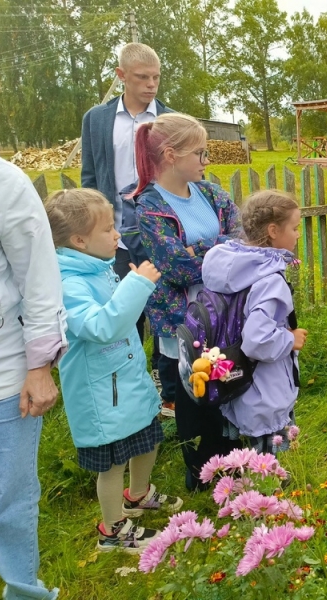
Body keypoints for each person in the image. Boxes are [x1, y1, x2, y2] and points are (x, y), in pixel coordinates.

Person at [45, 188, 182, 553]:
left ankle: (137, 495)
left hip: (125, 380)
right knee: (113, 463)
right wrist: (136, 285)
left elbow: (119, 316)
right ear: (79, 240)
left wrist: (132, 286)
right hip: (102, 392)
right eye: (108, 229)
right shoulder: (68, 283)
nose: (117, 234)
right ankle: (113, 529)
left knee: (147, 438)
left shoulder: (98, 267)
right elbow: (100, 327)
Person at [133, 112, 242, 491]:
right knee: (195, 396)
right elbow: (176, 267)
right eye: (200, 152)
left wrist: (201, 249)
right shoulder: (149, 207)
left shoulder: (211, 193)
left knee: (228, 386)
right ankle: (201, 475)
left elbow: (240, 241)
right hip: (183, 320)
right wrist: (219, 248)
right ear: (170, 155)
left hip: (225, 314)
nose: (206, 160)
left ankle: (235, 465)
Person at [0, 67, 63, 600]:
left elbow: (39, 281)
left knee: (7, 497)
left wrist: (39, 366)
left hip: (1, 374)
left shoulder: (5, 185)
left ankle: (22, 590)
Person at [80, 42, 172, 413]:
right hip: (115, 237)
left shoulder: (168, 120)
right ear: (121, 76)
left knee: (164, 309)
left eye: (156, 77)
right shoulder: (97, 119)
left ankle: (169, 391)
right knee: (122, 311)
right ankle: (129, 386)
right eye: (142, 77)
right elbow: (90, 174)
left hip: (159, 234)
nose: (151, 85)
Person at [201, 191, 307, 454]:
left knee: (250, 457)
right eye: (294, 228)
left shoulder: (234, 265)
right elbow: (257, 339)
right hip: (265, 391)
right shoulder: (269, 279)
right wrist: (290, 339)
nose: (298, 234)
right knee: (270, 466)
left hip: (236, 381)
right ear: (273, 230)